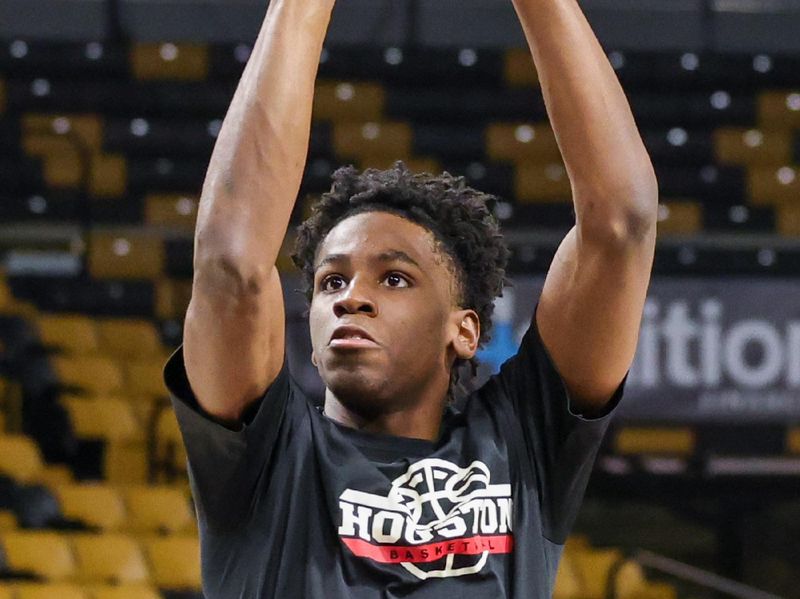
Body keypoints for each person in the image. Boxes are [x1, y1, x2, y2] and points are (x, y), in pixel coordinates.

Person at [162, 0, 658, 595]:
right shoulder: (266, 458)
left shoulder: (520, 441)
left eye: (393, 278)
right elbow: (231, 267)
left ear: (465, 331)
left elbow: (623, 224)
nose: (352, 299)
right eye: (331, 282)